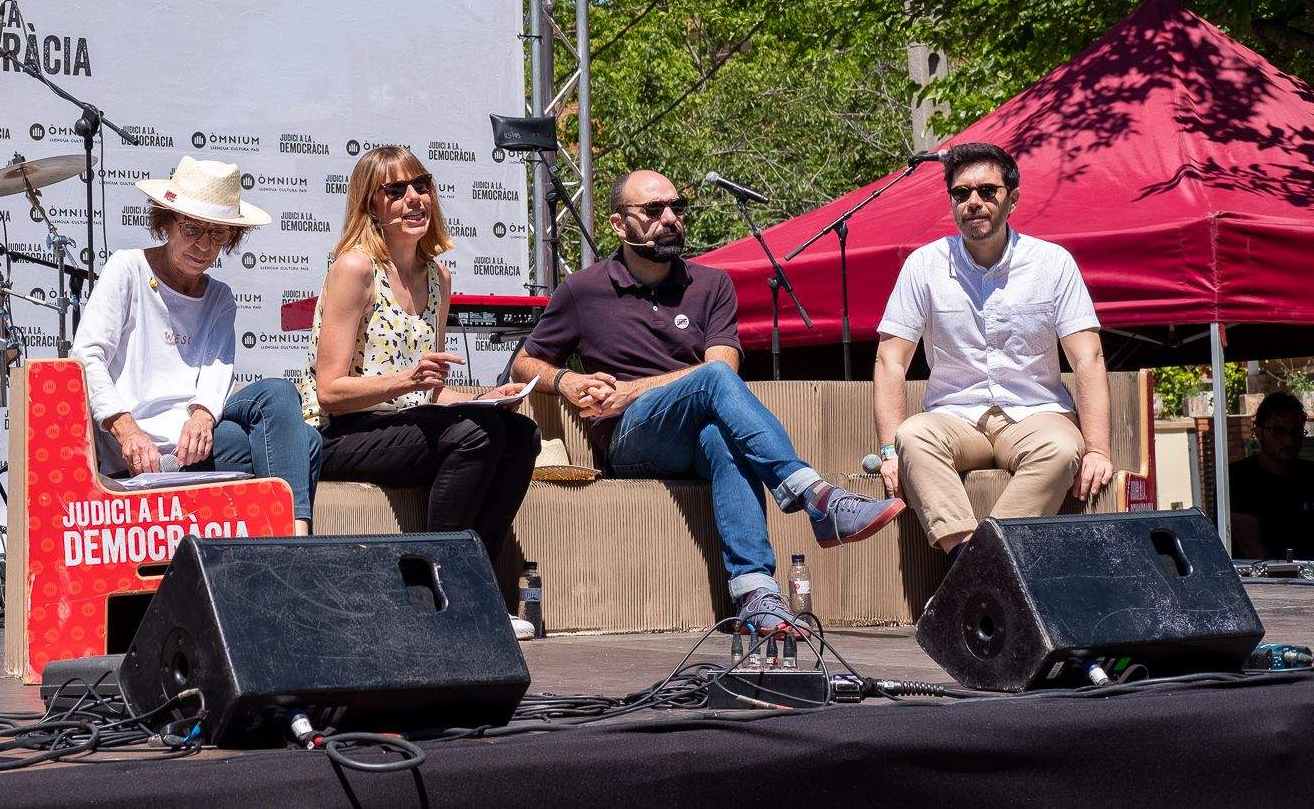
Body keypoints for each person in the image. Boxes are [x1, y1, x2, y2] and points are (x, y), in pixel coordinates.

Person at [510, 169, 902, 634]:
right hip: (631, 440)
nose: (670, 219)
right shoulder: (585, 290)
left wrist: (631, 389)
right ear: (618, 224)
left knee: (722, 437)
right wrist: (568, 381)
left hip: (689, 435)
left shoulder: (711, 285)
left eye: (677, 208)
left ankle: (756, 594)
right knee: (712, 385)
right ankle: (817, 499)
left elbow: (724, 368)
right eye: (653, 211)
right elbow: (524, 361)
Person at [300, 145, 541, 633]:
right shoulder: (355, 268)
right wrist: (409, 379)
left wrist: (480, 398)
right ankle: (433, 592)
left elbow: (429, 398)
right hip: (342, 432)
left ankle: (476, 587)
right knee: (474, 435)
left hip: (404, 423)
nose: (414, 199)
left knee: (519, 434)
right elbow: (329, 390)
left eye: (421, 185)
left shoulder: (438, 276)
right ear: (371, 205)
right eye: (396, 190)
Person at [873, 142, 1115, 561]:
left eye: (987, 191)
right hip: (955, 417)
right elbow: (890, 361)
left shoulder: (1052, 263)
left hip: (1036, 414)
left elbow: (1087, 358)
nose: (974, 202)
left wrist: (1098, 449)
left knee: (1060, 449)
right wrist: (889, 453)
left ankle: (974, 568)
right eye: (961, 193)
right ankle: (973, 561)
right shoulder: (923, 265)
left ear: (1012, 198)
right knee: (912, 436)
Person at [74, 155, 322, 533]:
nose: (203, 245)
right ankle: (295, 543)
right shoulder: (128, 268)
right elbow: (87, 356)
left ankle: (293, 539)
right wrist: (126, 429)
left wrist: (203, 415)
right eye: (192, 229)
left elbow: (216, 370)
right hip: (140, 447)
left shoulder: (219, 296)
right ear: (167, 223)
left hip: (197, 441)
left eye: (217, 234)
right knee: (305, 441)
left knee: (280, 396)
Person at [1230, 392, 1314, 560]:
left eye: (1296, 431)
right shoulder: (1239, 478)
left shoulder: (1310, 475)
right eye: (1278, 432)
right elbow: (1251, 546)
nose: (1289, 440)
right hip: (1260, 582)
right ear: (1259, 433)